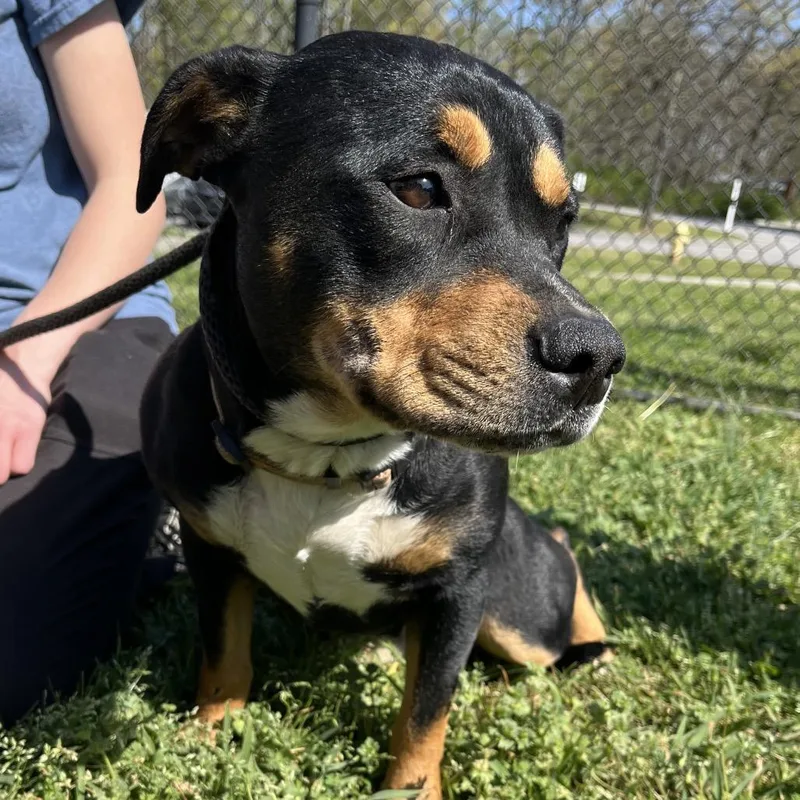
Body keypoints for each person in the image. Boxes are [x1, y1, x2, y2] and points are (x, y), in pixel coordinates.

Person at [0, 0, 178, 725]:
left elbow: (131, 192)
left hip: (76, 321)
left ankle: (157, 514)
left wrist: (24, 358)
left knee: (11, 654)